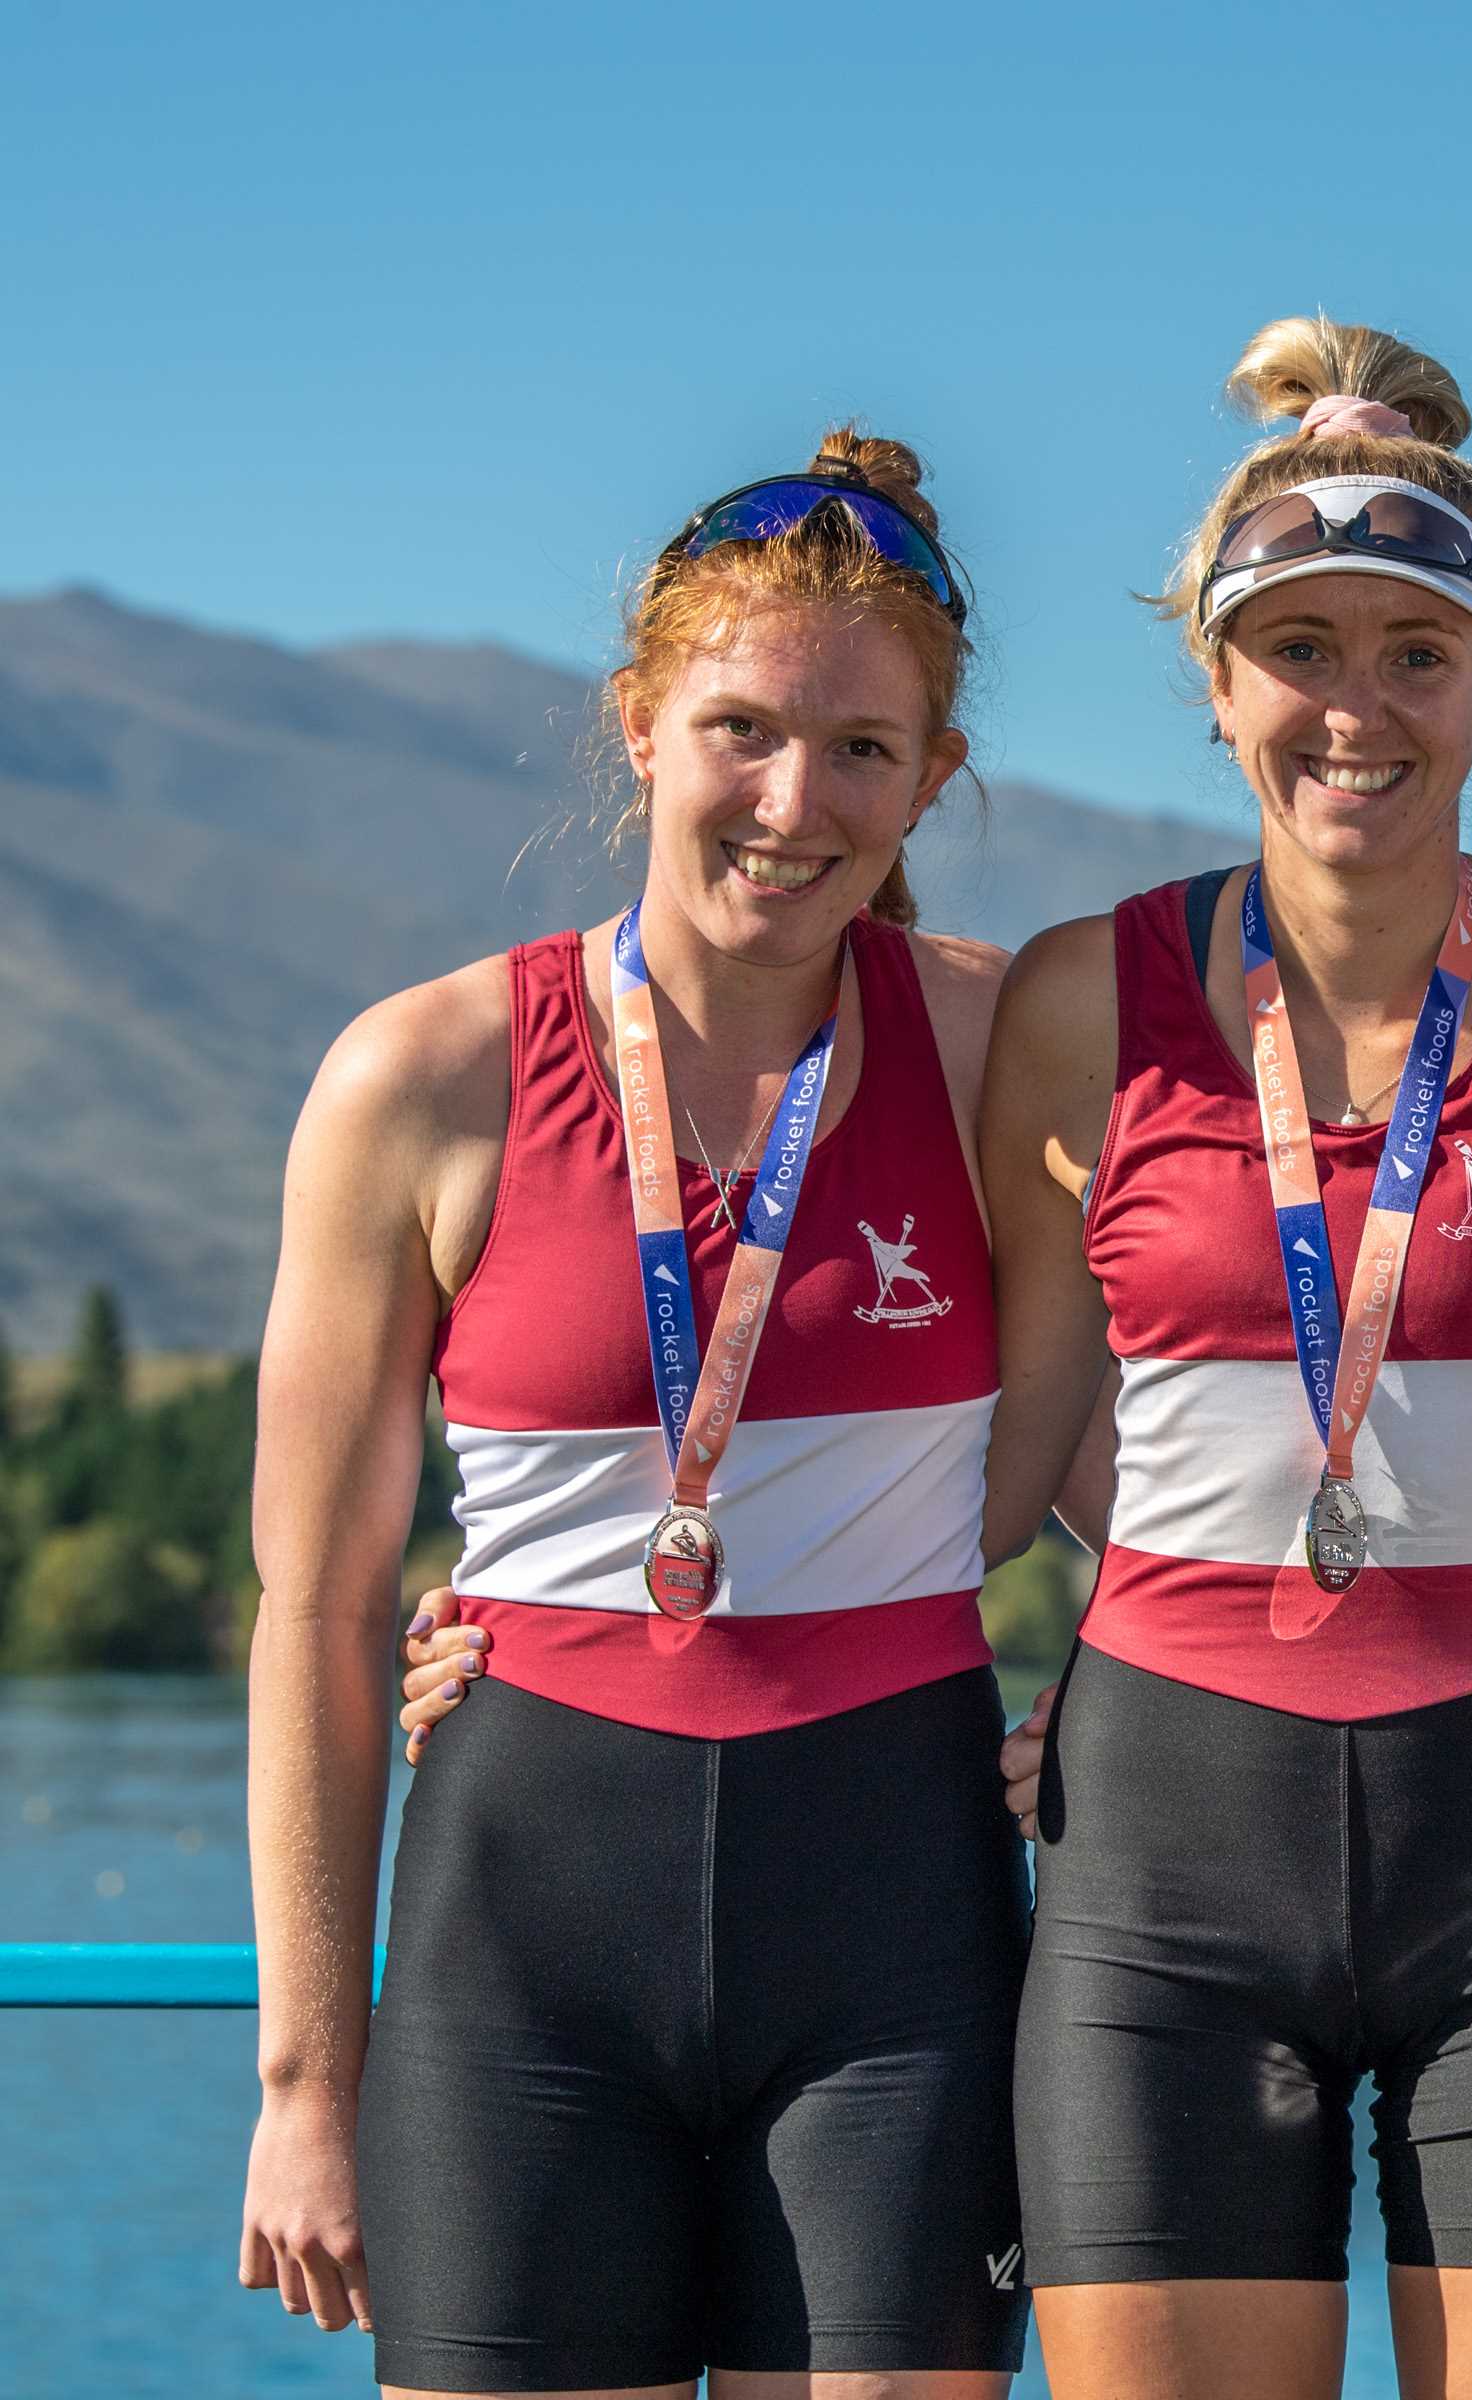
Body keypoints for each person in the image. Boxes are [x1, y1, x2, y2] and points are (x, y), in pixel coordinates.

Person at [971, 316, 1472, 2400]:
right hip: (1163, 1838)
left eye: (1421, 654)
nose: (1358, 706)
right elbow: (1010, 1441)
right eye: (1300, 646)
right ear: (1217, 683)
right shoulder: (1086, 999)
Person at [238, 431, 1032, 2393]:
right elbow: (322, 1615)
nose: (791, 797)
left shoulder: (1015, 1042)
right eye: (740, 728)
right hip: (525, 1954)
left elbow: (1234, 1378)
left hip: (899, 1946)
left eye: (862, 749)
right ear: (638, 726)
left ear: (934, 776)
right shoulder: (420, 1079)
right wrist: (305, 2078)